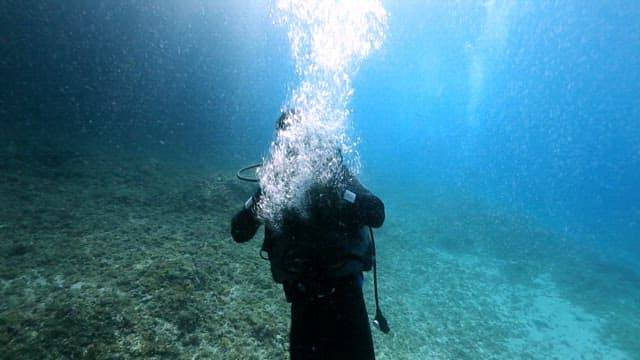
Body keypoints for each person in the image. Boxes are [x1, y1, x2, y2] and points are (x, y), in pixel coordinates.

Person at [231, 111, 385, 360]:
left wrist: (343, 193)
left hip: (346, 297)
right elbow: (238, 231)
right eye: (288, 145)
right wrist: (260, 200)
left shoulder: (335, 176)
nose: (297, 152)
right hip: (303, 301)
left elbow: (377, 214)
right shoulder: (278, 184)